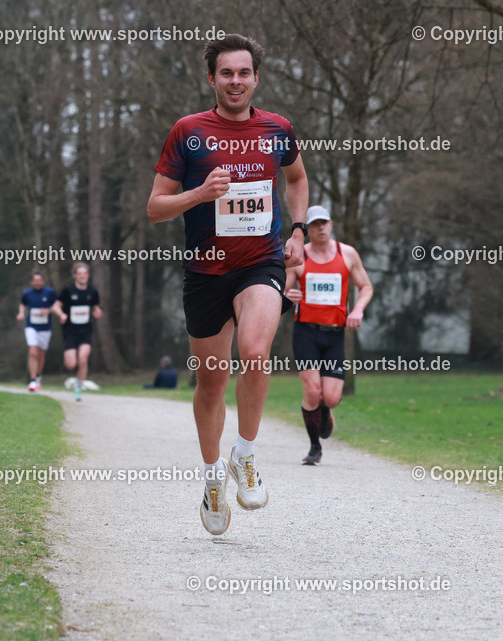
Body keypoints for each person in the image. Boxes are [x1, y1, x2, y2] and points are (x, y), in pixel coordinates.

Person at [147, 33, 308, 535]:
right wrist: (199, 193)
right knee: (211, 383)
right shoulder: (188, 132)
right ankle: (214, 476)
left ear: (256, 78)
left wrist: (298, 230)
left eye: (244, 73)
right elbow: (155, 208)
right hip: (205, 274)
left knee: (256, 353)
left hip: (260, 264)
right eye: (226, 73)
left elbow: (297, 179)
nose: (235, 81)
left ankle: (246, 454)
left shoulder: (277, 129)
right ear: (211, 78)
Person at [285, 205, 373, 465]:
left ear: (331, 225)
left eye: (324, 223)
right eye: (314, 224)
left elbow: (366, 286)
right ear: (308, 229)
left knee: (331, 398)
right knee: (312, 391)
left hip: (335, 335)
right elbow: (280, 290)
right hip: (306, 333)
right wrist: (287, 296)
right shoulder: (299, 258)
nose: (320, 228)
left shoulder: (347, 254)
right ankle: (314, 448)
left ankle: (325, 411)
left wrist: (357, 309)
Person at [59, 262, 103, 401]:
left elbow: (95, 307)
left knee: (83, 358)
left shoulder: (92, 292)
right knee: (71, 364)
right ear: (74, 275)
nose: (83, 276)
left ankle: (78, 387)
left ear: (88, 275)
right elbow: (56, 306)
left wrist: (97, 311)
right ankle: (73, 374)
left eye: (85, 274)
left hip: (85, 331)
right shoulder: (68, 291)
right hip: (70, 332)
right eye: (80, 274)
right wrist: (61, 314)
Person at [17, 273, 65, 392]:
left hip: (45, 328)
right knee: (33, 351)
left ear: (43, 281)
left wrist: (50, 311)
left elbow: (56, 305)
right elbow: (22, 304)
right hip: (31, 327)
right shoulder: (27, 293)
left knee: (41, 354)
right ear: (32, 282)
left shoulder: (49, 292)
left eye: (39, 280)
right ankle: (32, 380)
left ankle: (38, 376)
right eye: (35, 280)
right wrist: (21, 313)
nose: (37, 282)